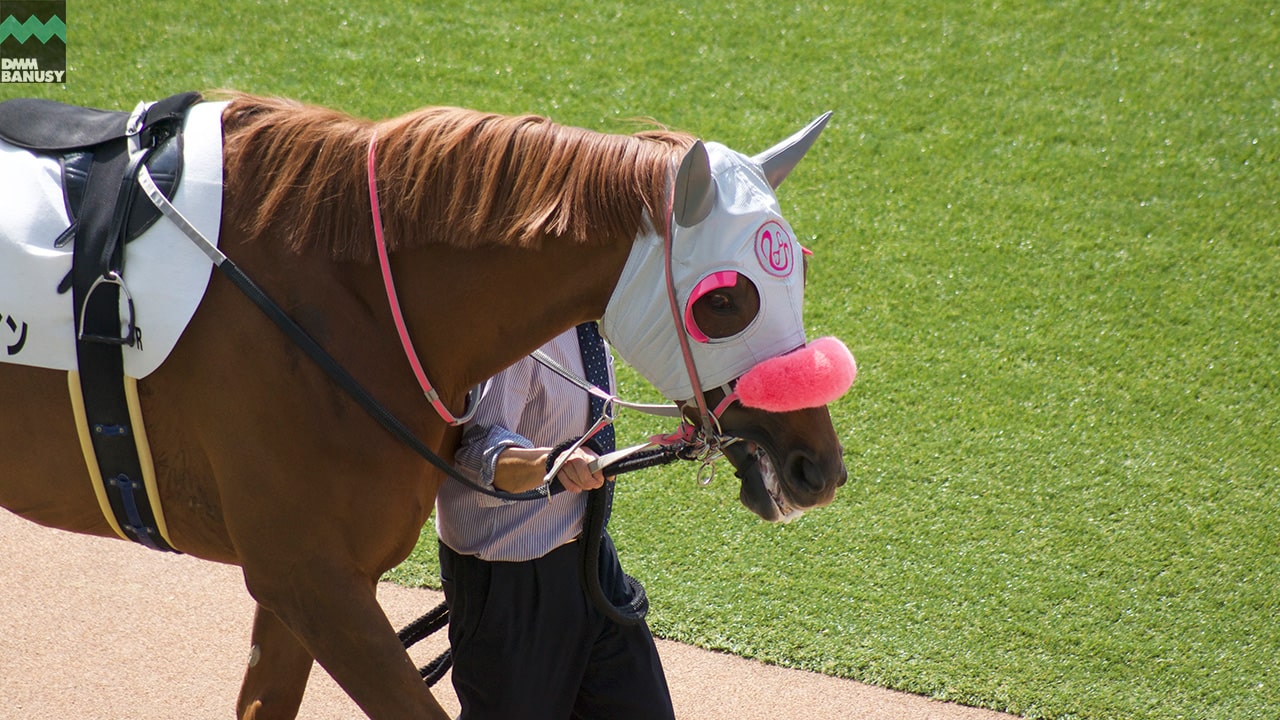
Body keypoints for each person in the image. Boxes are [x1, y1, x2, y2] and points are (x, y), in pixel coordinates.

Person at [435, 322, 675, 720]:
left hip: (590, 559)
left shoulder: (585, 319)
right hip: (510, 585)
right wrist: (551, 463)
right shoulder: (517, 330)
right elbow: (472, 454)